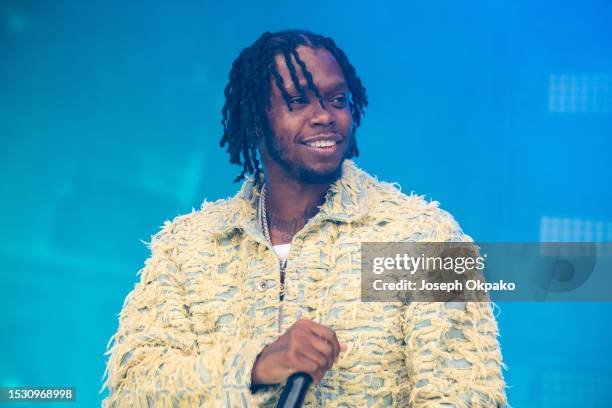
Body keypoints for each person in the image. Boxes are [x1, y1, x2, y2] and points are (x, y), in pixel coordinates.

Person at [102, 29, 507, 407]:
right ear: (256, 118)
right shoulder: (187, 246)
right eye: (299, 102)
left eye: (337, 100)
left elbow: (465, 396)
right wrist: (258, 366)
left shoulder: (425, 237)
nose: (325, 116)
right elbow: (133, 389)